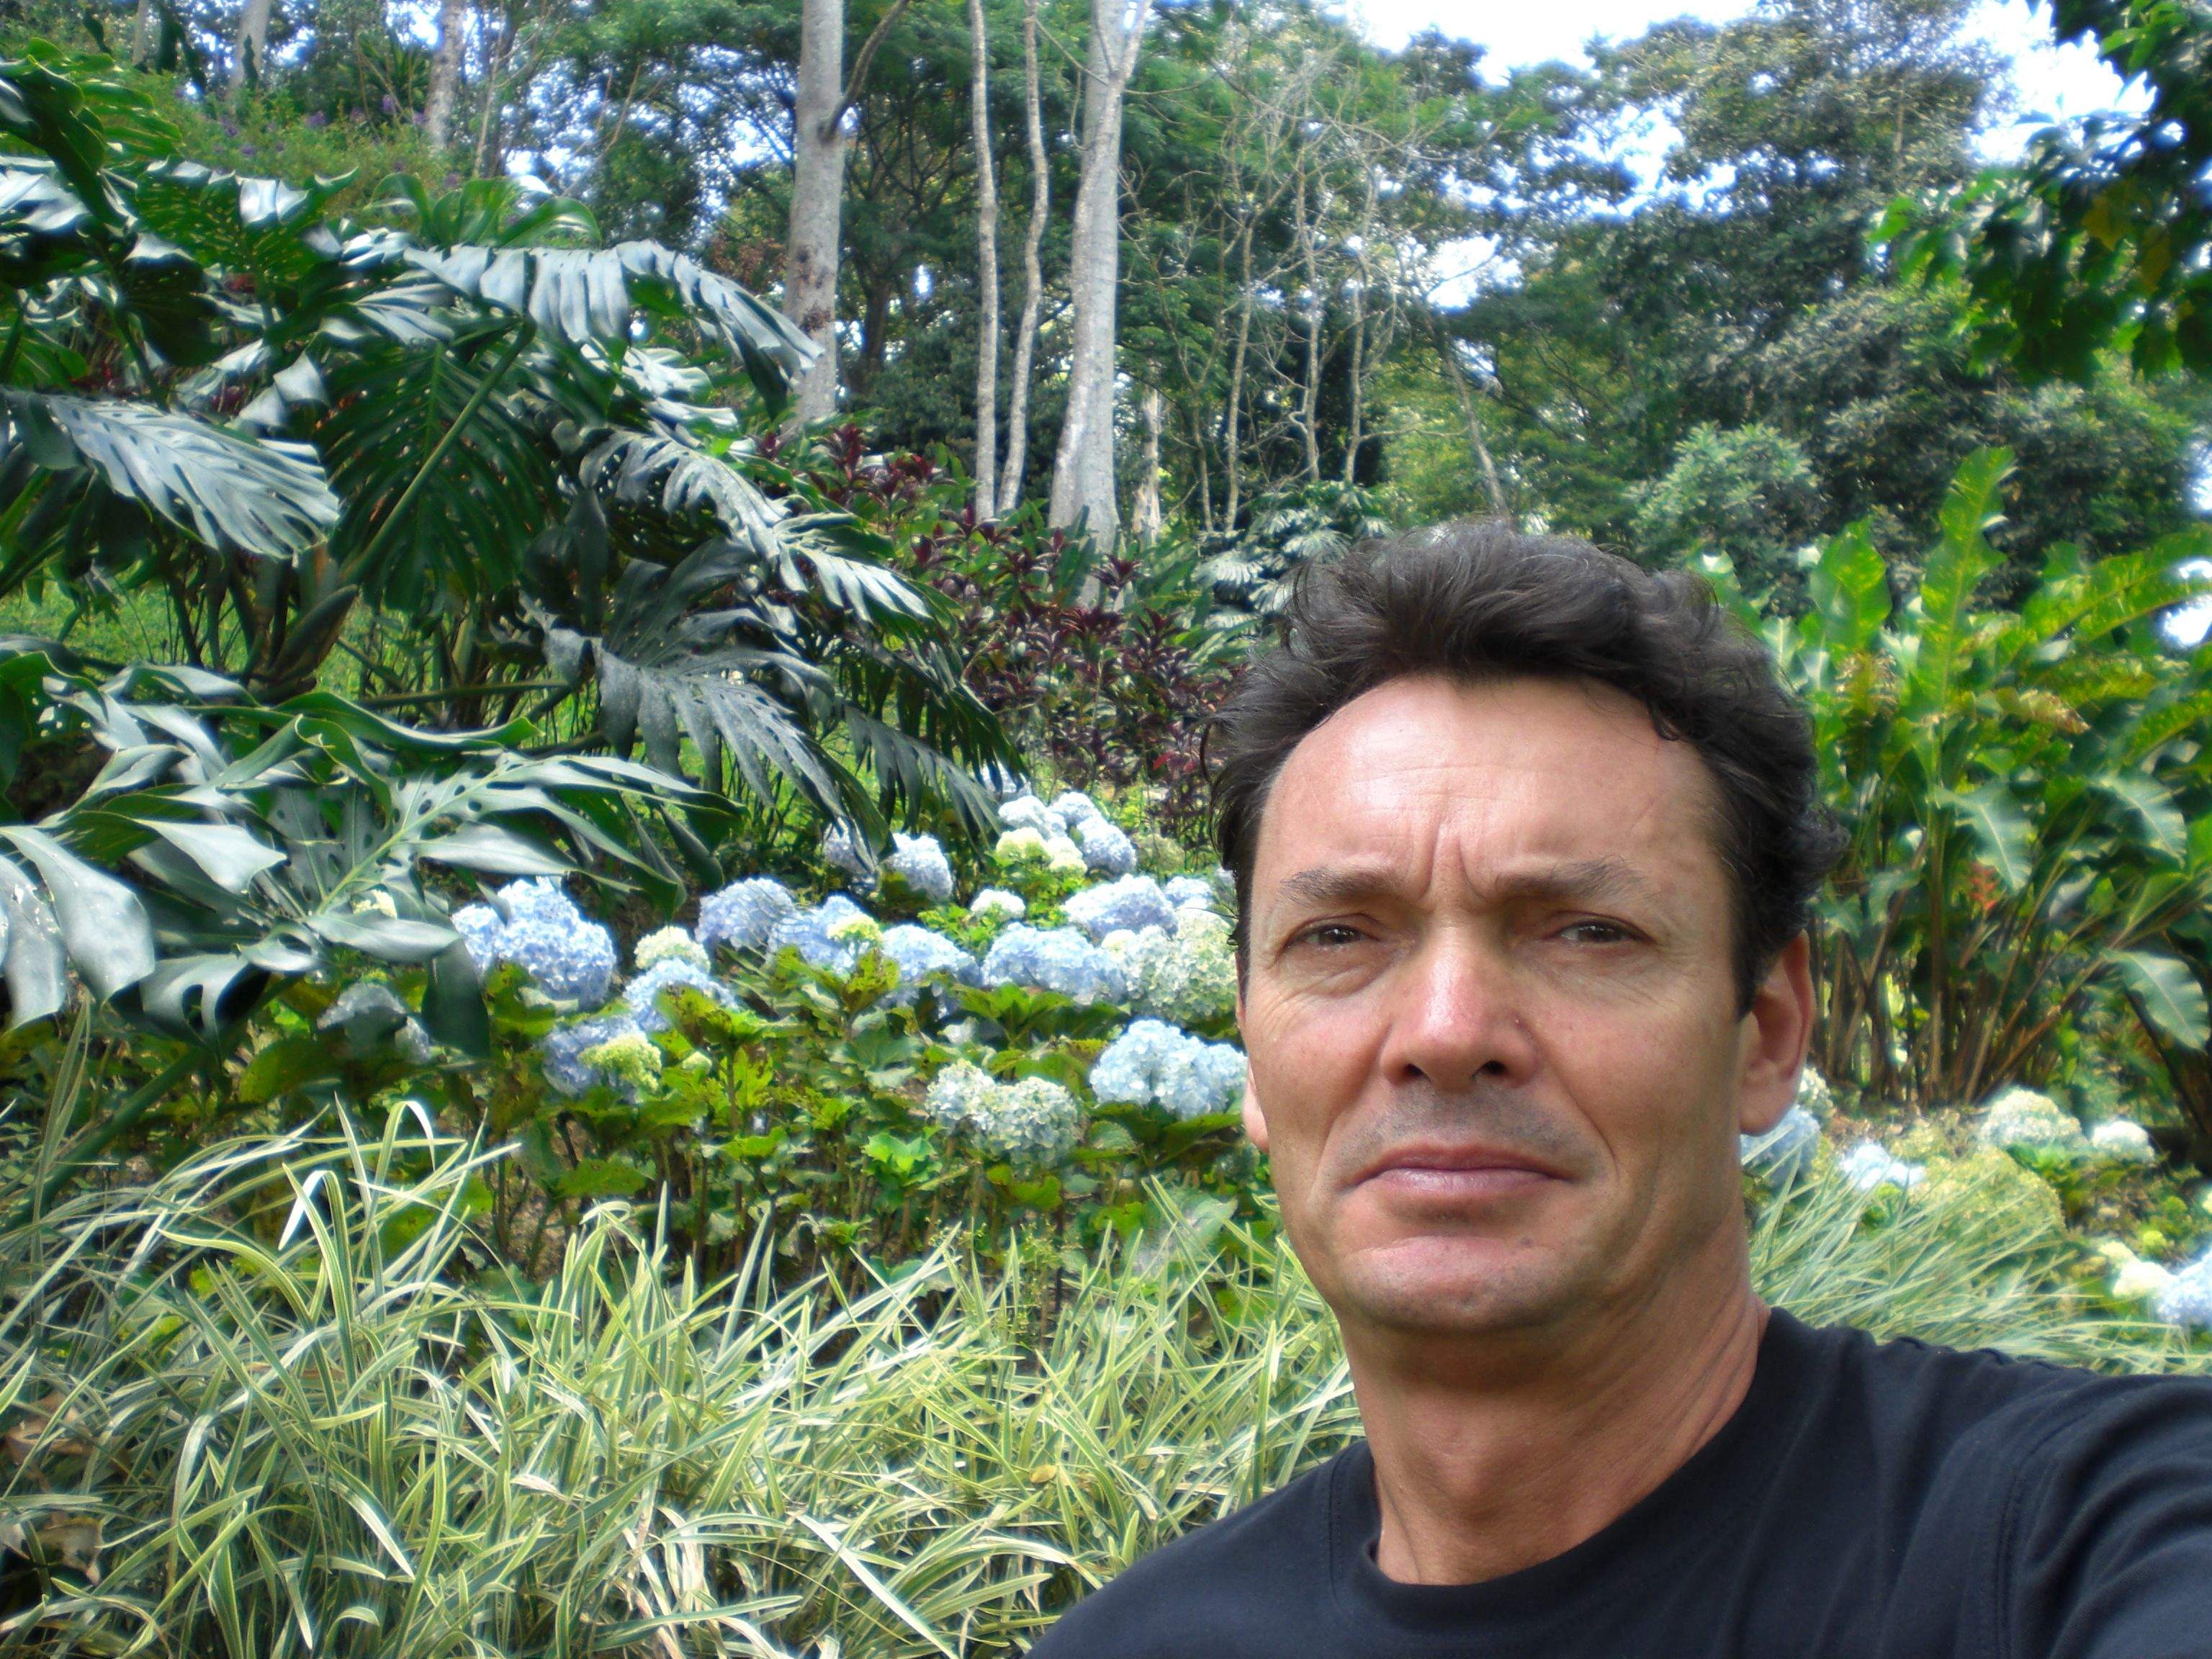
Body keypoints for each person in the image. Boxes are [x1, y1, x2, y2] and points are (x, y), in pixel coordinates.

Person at [1024, 523, 2212, 1658]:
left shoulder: (2089, 1545)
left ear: (1768, 1033)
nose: (1445, 1034)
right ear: (1251, 1054)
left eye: (1587, 932)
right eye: (1339, 936)